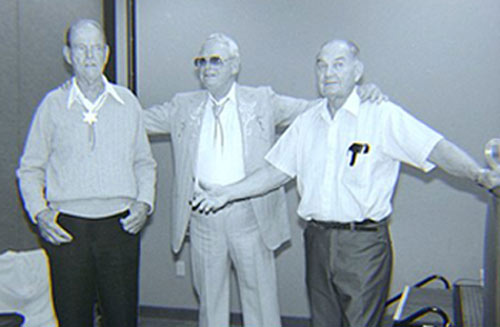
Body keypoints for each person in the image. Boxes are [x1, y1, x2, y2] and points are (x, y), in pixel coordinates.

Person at [190, 39, 500, 327]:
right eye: (321, 65)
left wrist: (478, 174)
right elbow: (274, 172)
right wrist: (226, 194)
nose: (328, 72)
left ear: (357, 71)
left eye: (338, 64)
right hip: (317, 241)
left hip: (362, 246)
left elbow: (435, 148)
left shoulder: (381, 115)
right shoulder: (308, 122)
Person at [142, 33, 384, 327]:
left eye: (215, 60)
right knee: (210, 303)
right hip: (203, 218)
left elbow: (315, 109)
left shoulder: (261, 101)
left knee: (260, 303)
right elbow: (137, 121)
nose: (207, 67)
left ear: (234, 66)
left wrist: (358, 93)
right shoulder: (182, 105)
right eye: (201, 61)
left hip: (250, 217)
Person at [16, 19, 156, 327]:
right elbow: (30, 168)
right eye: (81, 48)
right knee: (73, 319)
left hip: (120, 227)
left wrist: (144, 203)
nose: (89, 56)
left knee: (122, 319)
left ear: (106, 53)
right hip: (68, 231)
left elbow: (144, 163)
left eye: (95, 48)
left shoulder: (128, 103)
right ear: (68, 55)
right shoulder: (52, 106)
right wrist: (39, 213)